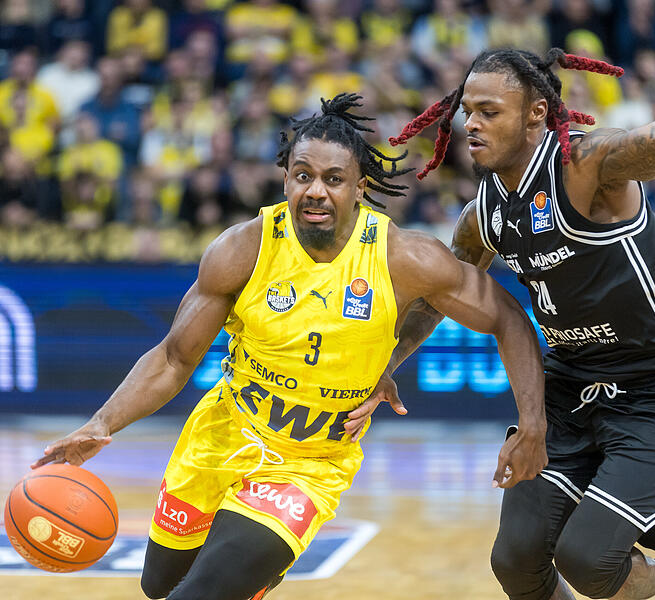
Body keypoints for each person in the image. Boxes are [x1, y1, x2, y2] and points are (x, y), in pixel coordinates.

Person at [348, 11, 655, 600]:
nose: (471, 127)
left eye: (490, 113)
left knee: (588, 559)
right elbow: (438, 299)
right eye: (468, 114)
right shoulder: (482, 212)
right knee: (515, 561)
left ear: (537, 112)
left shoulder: (584, 167)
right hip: (568, 387)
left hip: (653, 386)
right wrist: (387, 364)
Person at [31, 93, 548, 600]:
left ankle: (254, 562)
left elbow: (510, 320)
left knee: (203, 592)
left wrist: (532, 424)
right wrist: (101, 423)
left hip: (309, 462)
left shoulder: (403, 258)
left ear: (359, 189)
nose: (316, 191)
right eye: (303, 176)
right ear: (286, 180)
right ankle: (254, 575)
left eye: (333, 179)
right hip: (220, 438)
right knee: (159, 586)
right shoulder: (242, 248)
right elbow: (173, 358)